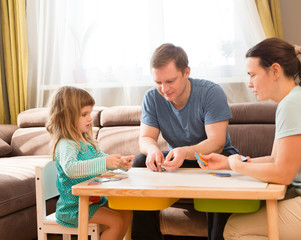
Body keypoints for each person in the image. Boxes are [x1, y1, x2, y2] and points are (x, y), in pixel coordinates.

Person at [199, 38, 301, 240]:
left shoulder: (293, 105)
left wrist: (238, 167)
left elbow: (283, 174)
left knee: (235, 229)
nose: (249, 84)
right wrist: (229, 163)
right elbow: (276, 160)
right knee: (240, 220)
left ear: (275, 70)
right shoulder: (295, 100)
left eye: (253, 75)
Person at [131, 43, 240, 240]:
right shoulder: (152, 97)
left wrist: (184, 152)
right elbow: (146, 138)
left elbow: (216, 142)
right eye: (158, 82)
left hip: (215, 157)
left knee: (219, 166)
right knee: (140, 161)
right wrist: (153, 150)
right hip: (179, 159)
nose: (164, 89)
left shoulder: (210, 92)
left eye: (170, 81)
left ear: (186, 72)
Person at [46, 86, 134, 240]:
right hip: (74, 208)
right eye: (84, 114)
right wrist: (105, 162)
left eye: (90, 113)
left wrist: (119, 164)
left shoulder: (87, 141)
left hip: (93, 202)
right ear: (66, 117)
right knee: (117, 222)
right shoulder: (66, 144)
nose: (90, 118)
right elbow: (71, 169)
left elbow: (103, 160)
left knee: (126, 211)